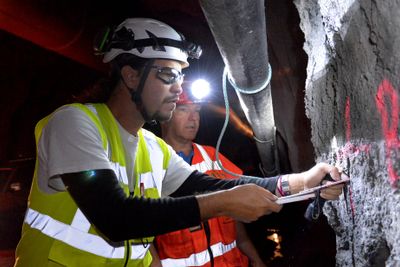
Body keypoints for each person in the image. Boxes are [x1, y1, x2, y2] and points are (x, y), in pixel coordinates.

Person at [14, 17, 344, 267]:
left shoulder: (152, 147)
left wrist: (298, 183)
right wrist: (226, 204)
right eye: (167, 75)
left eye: (181, 77)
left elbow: (209, 185)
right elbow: (115, 217)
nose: (177, 88)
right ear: (131, 75)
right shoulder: (74, 122)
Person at [153, 87, 266, 267]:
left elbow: (234, 220)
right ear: (164, 116)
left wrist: (256, 258)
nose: (194, 118)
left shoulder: (213, 157)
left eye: (197, 110)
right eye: (184, 110)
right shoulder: (149, 165)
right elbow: (141, 239)